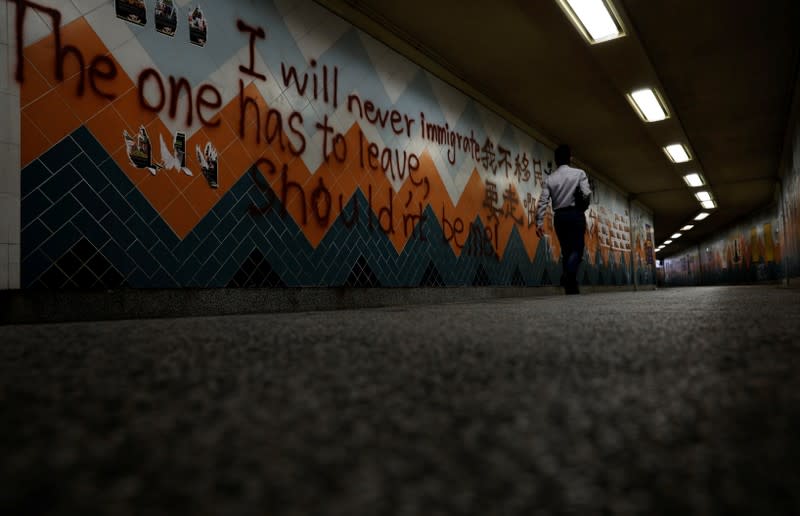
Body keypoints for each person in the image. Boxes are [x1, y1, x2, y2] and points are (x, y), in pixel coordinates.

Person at [535, 144, 592, 295]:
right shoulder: (579, 173)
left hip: (559, 218)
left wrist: (539, 222)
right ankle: (569, 277)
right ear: (570, 159)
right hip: (575, 215)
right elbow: (586, 194)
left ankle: (570, 285)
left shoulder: (550, 179)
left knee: (566, 251)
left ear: (556, 161)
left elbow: (543, 201)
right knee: (577, 251)